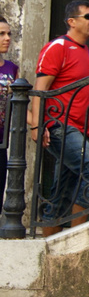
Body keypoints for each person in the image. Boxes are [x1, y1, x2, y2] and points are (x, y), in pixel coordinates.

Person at [27, 0, 89, 236]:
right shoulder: (58, 47)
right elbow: (40, 88)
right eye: (88, 17)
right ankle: (77, 235)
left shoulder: (84, 52)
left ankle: (48, 240)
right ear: (72, 22)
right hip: (61, 126)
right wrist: (38, 125)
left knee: (63, 189)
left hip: (80, 129)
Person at [0, 16, 20, 208]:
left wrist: (38, 125)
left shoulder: (11, 69)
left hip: (1, 141)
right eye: (1, 34)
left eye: (8, 34)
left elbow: (20, 102)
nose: (7, 38)